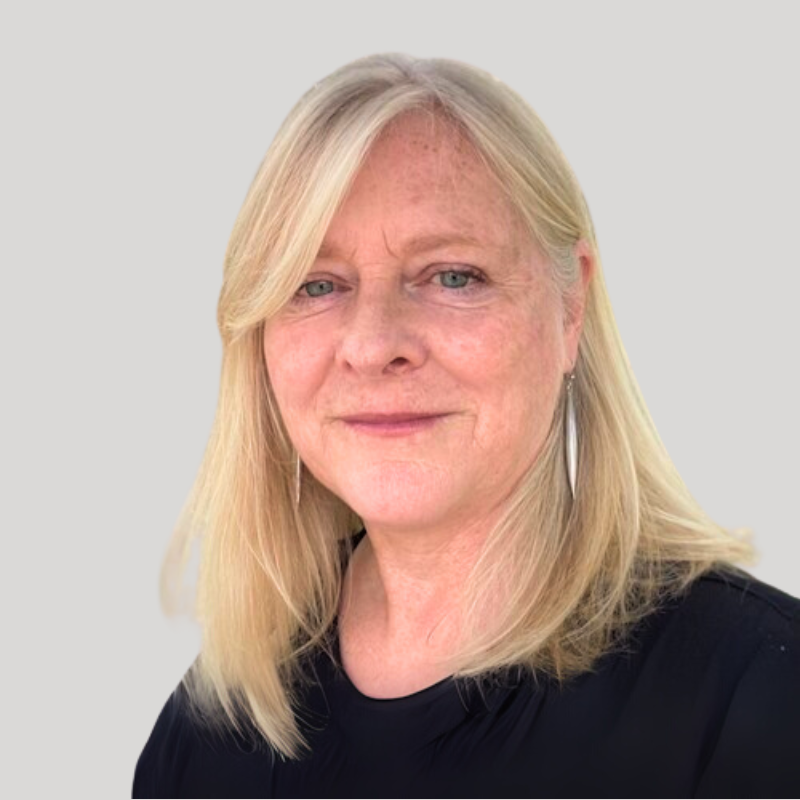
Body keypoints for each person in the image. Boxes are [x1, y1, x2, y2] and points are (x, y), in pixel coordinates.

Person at [133, 53, 800, 798]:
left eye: (453, 276)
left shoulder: (759, 697)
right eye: (315, 285)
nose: (372, 344)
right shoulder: (211, 734)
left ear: (570, 307)